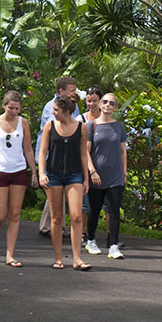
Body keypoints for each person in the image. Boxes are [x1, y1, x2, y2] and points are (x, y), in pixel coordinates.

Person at [0, 90, 38, 267]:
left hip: (19, 170)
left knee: (14, 214)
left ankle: (10, 254)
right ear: (4, 106)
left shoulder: (23, 123)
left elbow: (27, 148)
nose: (13, 111)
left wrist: (34, 171)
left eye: (17, 108)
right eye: (10, 108)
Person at [38, 92, 92, 270]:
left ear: (67, 111)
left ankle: (77, 259)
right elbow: (43, 151)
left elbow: (84, 154)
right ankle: (58, 258)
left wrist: (86, 178)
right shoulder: (50, 126)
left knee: (76, 216)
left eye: (56, 110)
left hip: (74, 174)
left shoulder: (81, 127)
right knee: (57, 218)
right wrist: (41, 173)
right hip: (53, 175)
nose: (53, 112)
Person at [85, 92, 127, 259]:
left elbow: (123, 151)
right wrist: (92, 171)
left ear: (115, 107)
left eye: (112, 103)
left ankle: (114, 245)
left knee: (114, 210)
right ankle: (90, 239)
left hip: (115, 176)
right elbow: (86, 152)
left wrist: (124, 172)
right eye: (105, 102)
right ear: (100, 105)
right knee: (94, 210)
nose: (108, 105)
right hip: (97, 176)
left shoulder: (119, 127)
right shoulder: (91, 125)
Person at [37, 76, 79, 238]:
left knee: (57, 191)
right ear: (61, 91)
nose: (74, 93)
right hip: (51, 155)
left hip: (66, 155)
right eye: (71, 90)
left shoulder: (73, 107)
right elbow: (55, 130)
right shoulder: (51, 108)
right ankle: (50, 225)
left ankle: (52, 225)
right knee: (54, 190)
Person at [78, 85, 102, 246]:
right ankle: (82, 234)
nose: (92, 104)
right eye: (89, 101)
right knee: (84, 203)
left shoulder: (106, 118)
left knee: (101, 204)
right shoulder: (81, 120)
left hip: (103, 164)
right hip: (84, 165)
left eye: (94, 101)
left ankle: (110, 236)